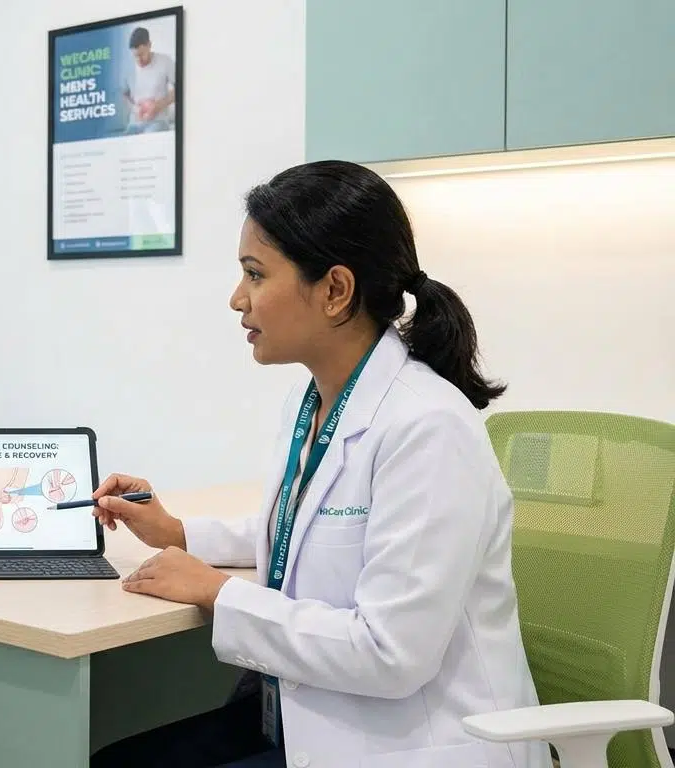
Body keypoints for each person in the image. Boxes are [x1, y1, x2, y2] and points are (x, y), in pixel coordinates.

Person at [89, 160, 547, 768]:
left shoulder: (428, 428)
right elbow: (313, 532)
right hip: (316, 722)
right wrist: (179, 534)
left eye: (255, 274)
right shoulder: (315, 402)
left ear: (334, 290)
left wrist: (219, 592)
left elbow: (390, 654)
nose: (236, 299)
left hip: (417, 746)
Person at [121, 26, 175, 134]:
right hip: (134, 123)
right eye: (135, 55)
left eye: (141, 55)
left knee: (148, 144)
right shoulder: (127, 67)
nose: (138, 60)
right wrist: (135, 108)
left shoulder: (165, 61)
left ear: (149, 45)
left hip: (158, 122)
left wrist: (158, 106)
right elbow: (123, 94)